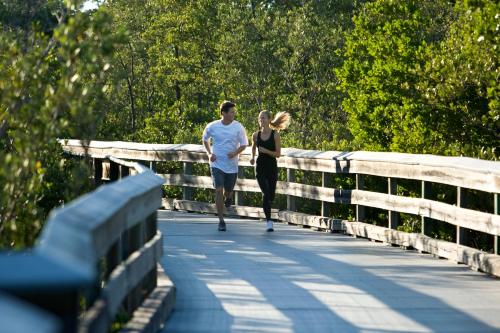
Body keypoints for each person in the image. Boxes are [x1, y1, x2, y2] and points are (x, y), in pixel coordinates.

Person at [202, 101, 248, 231]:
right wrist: (209, 153)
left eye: (234, 112)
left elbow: (244, 144)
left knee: (227, 190)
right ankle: (221, 220)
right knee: (218, 189)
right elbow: (205, 139)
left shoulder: (238, 127)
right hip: (216, 163)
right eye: (232, 112)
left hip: (231, 166)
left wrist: (235, 152)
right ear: (223, 113)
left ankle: (228, 197)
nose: (234, 114)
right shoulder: (212, 126)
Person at [250, 110, 290, 232]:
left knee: (271, 195)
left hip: (272, 168)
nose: (261, 120)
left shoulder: (275, 135)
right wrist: (252, 157)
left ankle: (268, 214)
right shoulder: (255, 135)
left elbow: (278, 154)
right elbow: (253, 147)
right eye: (259, 118)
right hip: (260, 167)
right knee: (266, 194)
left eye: (263, 118)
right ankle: (269, 221)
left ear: (269, 120)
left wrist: (266, 151)